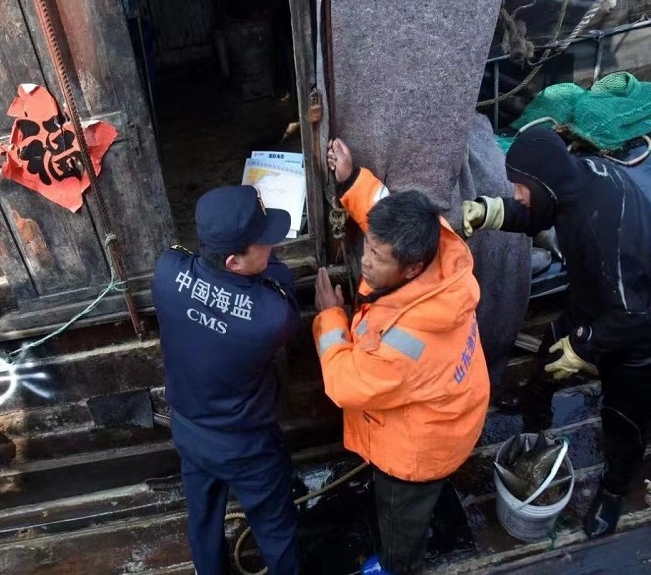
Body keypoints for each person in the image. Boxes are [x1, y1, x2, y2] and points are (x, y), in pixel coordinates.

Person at [462, 126, 651, 538]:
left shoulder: (604, 227)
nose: (516, 194)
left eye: (519, 188)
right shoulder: (575, 177)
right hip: (593, 299)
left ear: (543, 184)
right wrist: (490, 211)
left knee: (624, 414)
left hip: (635, 327)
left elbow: (633, 314)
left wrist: (583, 349)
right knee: (548, 357)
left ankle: (614, 490)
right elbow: (541, 210)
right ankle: (536, 416)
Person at [313, 139, 490, 574]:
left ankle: (398, 565)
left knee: (399, 516)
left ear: (411, 269)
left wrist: (329, 317)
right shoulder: (436, 245)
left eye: (377, 256)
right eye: (368, 247)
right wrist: (351, 180)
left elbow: (344, 384)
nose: (365, 261)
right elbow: (383, 207)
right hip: (454, 411)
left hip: (419, 451)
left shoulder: (403, 346)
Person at [153, 185, 301, 575]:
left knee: (203, 521)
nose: (272, 248)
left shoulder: (167, 271)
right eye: (264, 243)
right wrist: (271, 267)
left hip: (188, 431)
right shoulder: (271, 316)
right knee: (275, 529)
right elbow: (281, 285)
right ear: (233, 262)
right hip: (246, 445)